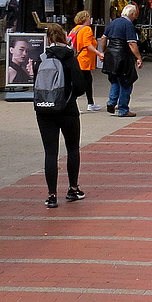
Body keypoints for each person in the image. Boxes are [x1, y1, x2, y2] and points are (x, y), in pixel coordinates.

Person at [35, 24, 87, 207]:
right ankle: (73, 189)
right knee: (72, 149)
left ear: (48, 39)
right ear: (64, 37)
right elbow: (81, 85)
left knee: (50, 152)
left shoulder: (41, 58)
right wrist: (69, 96)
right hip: (67, 109)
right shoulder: (70, 58)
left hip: (44, 110)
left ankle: (51, 195)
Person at [99, 4, 143, 117]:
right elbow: (131, 43)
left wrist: (104, 51)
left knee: (115, 80)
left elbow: (103, 38)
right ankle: (123, 109)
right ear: (132, 14)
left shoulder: (113, 22)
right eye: (135, 15)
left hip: (111, 54)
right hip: (123, 55)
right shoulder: (128, 25)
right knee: (126, 82)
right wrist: (138, 57)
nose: (135, 17)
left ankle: (112, 102)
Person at [69, 10, 105, 111]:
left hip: (76, 58)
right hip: (84, 59)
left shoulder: (74, 29)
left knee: (86, 81)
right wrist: (99, 53)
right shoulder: (87, 29)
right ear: (85, 19)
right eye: (89, 17)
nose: (90, 19)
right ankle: (85, 104)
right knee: (83, 82)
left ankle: (90, 103)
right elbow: (88, 44)